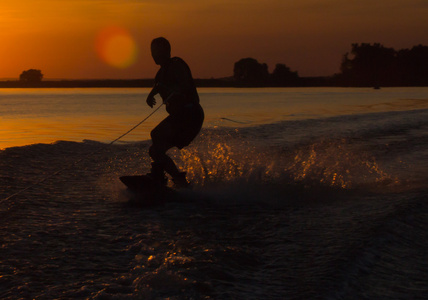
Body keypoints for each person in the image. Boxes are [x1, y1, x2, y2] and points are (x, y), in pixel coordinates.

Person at [145, 37, 204, 188]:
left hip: (190, 115)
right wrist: (151, 94)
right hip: (179, 118)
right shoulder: (160, 74)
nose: (154, 55)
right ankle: (177, 180)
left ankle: (163, 176)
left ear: (166, 52)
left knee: (156, 135)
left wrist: (175, 91)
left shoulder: (177, 65)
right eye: (152, 52)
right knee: (155, 150)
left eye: (157, 51)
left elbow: (184, 85)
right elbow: (159, 85)